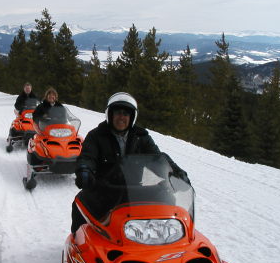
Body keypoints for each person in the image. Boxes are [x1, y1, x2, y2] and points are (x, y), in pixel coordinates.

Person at [71, 92, 190, 234]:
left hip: (134, 190)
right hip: (105, 189)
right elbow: (87, 156)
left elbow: (158, 158)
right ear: (110, 115)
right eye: (118, 113)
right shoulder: (96, 135)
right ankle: (77, 240)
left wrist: (176, 173)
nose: (121, 117)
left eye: (126, 114)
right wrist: (84, 170)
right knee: (80, 203)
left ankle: (168, 237)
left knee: (167, 198)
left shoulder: (141, 137)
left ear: (132, 117)